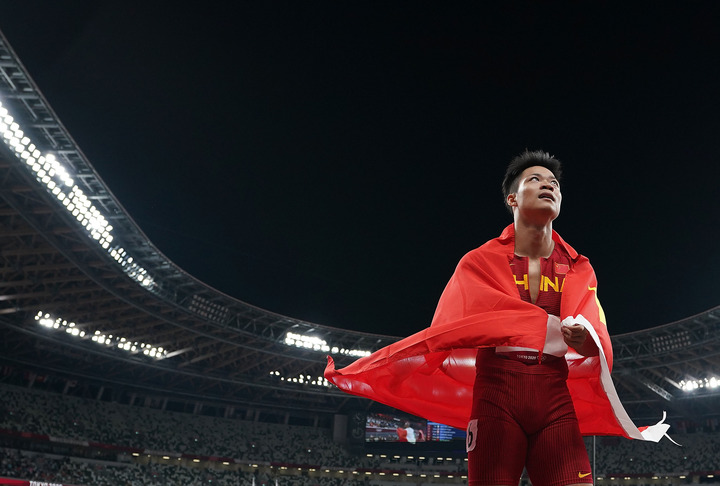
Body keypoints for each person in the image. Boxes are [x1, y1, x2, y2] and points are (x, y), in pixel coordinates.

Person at [325, 150, 670, 486]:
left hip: (555, 396)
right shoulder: (478, 263)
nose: (548, 185)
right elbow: (448, 330)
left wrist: (586, 340)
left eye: (554, 183)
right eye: (535, 179)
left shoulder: (579, 268)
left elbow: (598, 343)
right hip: (496, 396)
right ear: (512, 198)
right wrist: (536, 327)